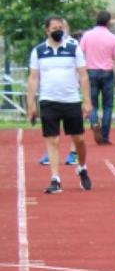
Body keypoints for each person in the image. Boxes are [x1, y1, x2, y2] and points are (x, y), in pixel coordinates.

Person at [27, 15, 93, 194]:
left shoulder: (74, 48)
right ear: (47, 30)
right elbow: (33, 78)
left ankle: (82, 167)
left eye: (60, 28)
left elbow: (83, 75)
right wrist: (31, 102)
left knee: (79, 139)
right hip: (48, 101)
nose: (58, 31)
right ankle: (55, 179)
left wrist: (87, 101)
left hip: (71, 100)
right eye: (54, 28)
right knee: (53, 141)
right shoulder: (39, 51)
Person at [80, 10, 115, 145]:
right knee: (108, 106)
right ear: (108, 22)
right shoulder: (113, 38)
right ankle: (104, 136)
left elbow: (80, 54)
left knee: (92, 103)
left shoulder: (87, 36)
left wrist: (79, 74)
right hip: (107, 73)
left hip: (91, 72)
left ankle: (94, 123)